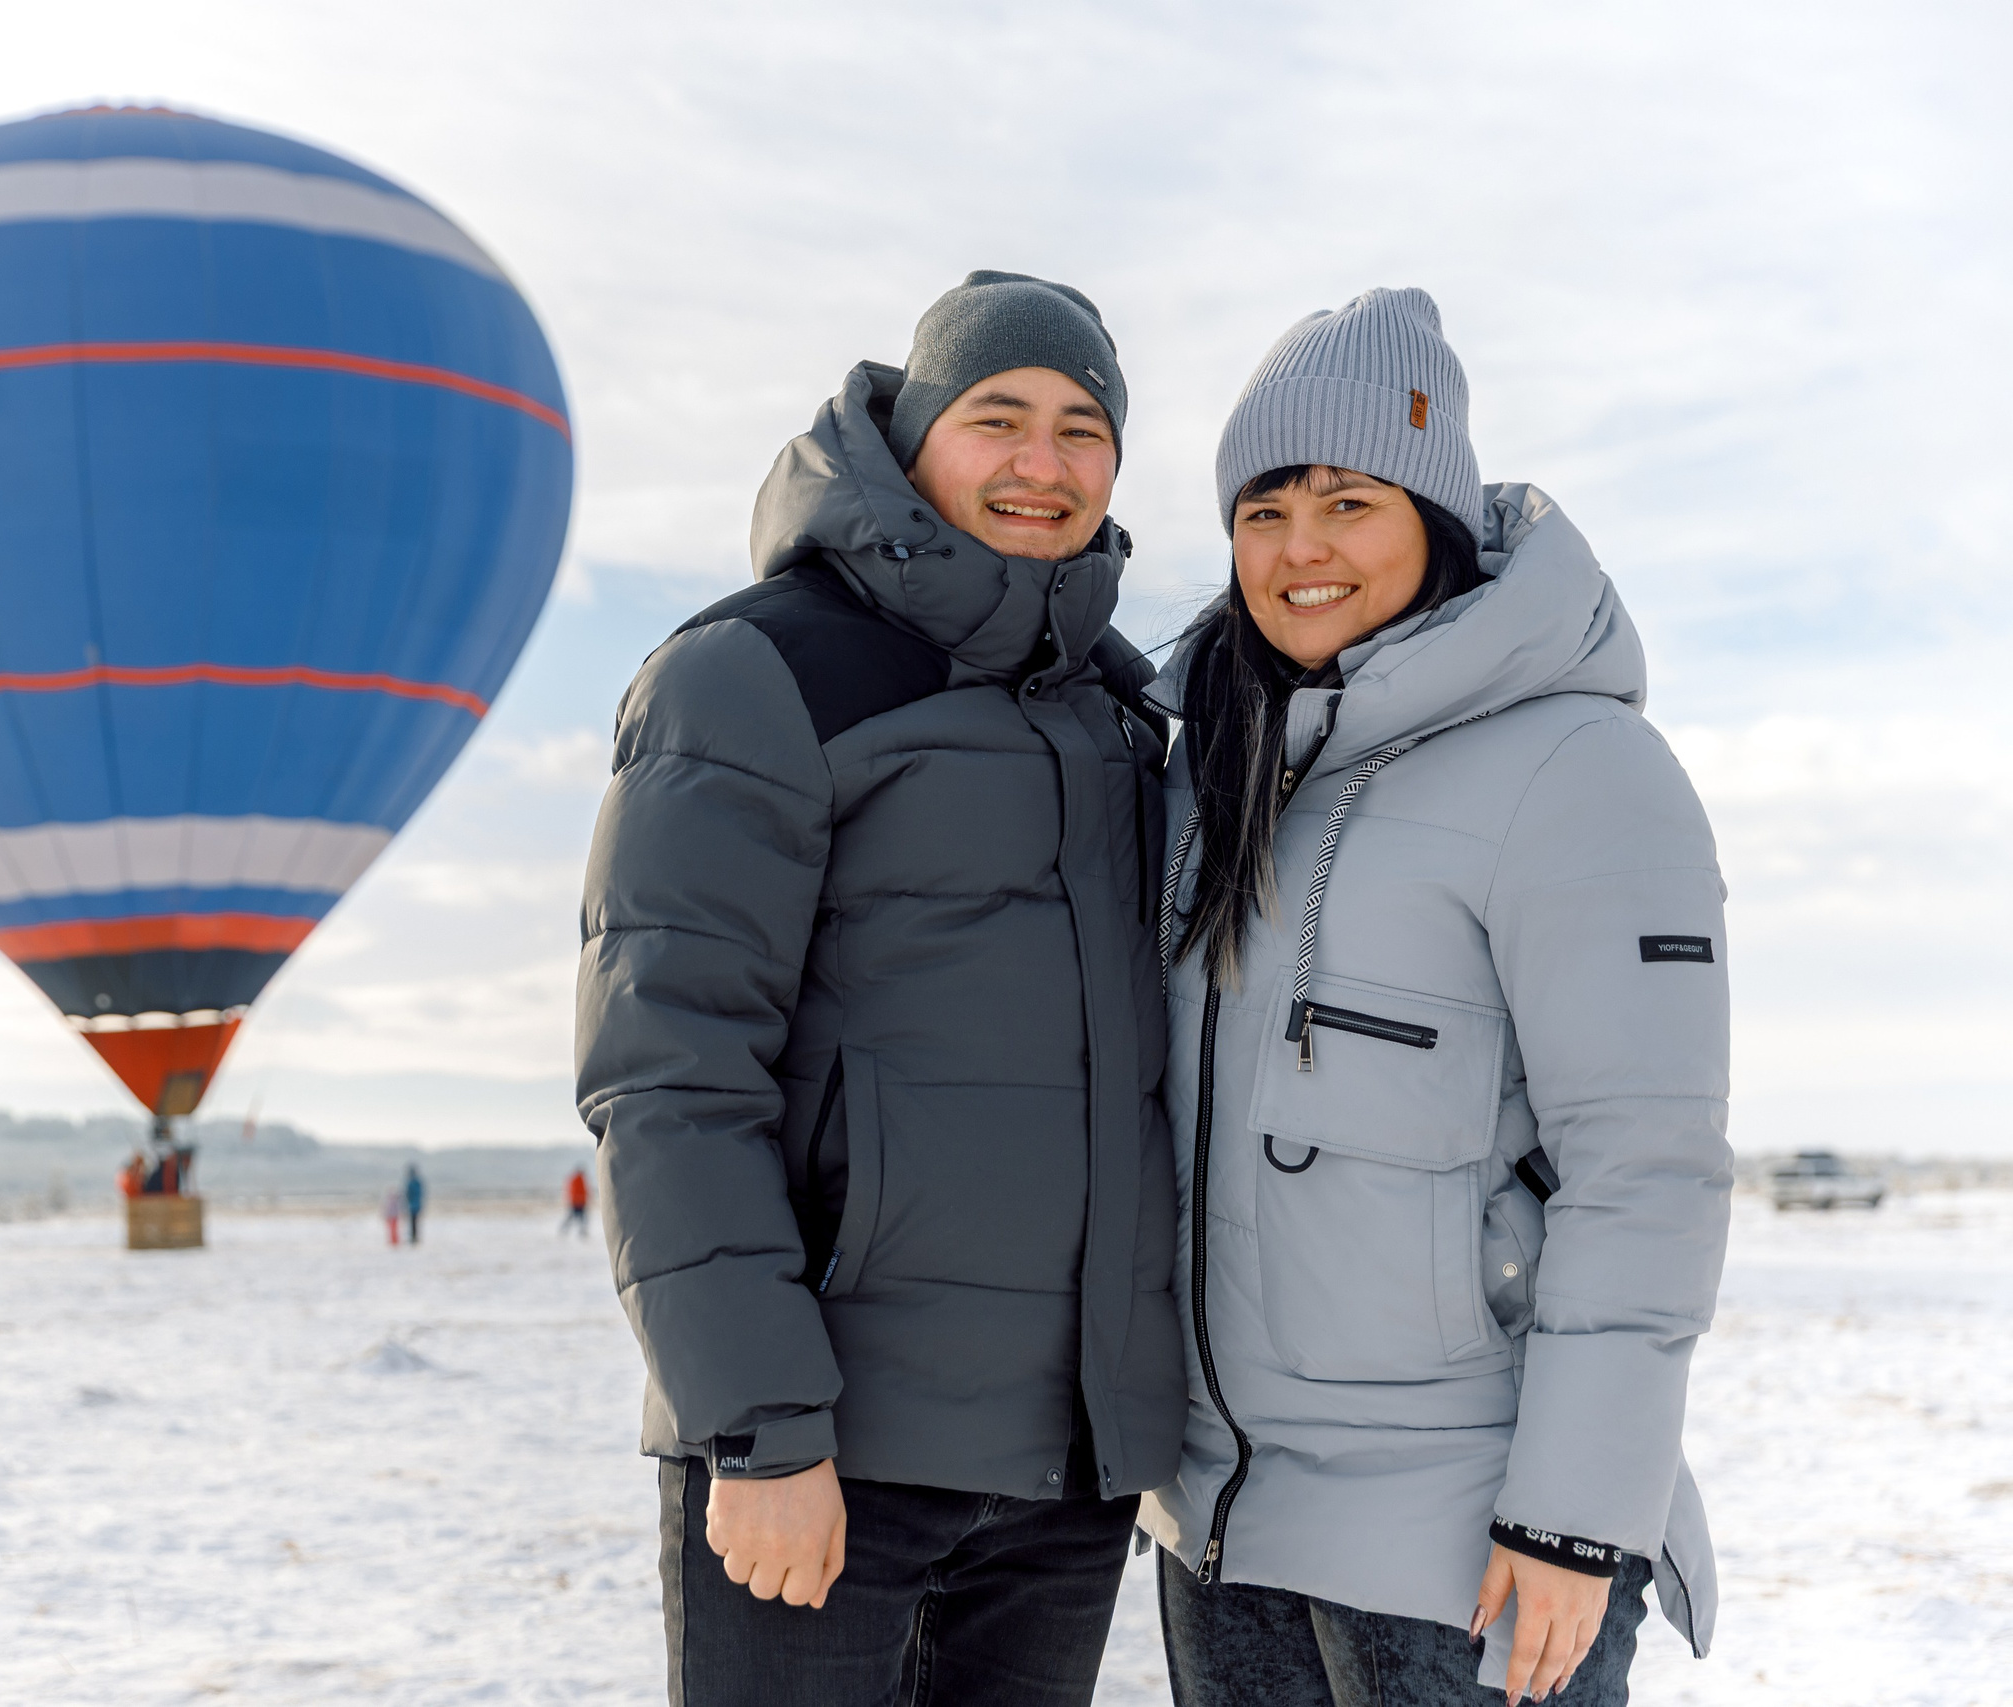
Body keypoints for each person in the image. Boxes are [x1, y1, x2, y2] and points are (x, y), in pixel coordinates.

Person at [577, 271, 1182, 1706]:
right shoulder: (755, 670)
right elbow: (670, 1069)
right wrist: (761, 1428)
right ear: (912, 434)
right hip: (832, 1453)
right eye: (999, 416)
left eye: (1084, 427)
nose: (1044, 462)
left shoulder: (1117, 710)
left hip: (1068, 1467)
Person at [1142, 287, 1730, 1706]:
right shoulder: (1209, 769)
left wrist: (1574, 1514)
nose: (1301, 550)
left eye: (1349, 501)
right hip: (1224, 1522)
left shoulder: (1577, 767)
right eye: (1264, 510)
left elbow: (1645, 1167)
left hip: (1468, 1535)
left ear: (1438, 519)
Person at [561, 1167, 591, 1237]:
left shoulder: (580, 1179)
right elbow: (575, 1192)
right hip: (577, 1202)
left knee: (581, 1218)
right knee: (574, 1217)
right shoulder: (577, 1179)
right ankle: (565, 1228)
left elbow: (584, 1191)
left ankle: (581, 1231)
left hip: (579, 1202)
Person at [401, 1162, 425, 1245]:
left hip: (412, 1205)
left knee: (413, 1222)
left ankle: (413, 1237)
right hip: (416, 1205)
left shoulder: (411, 1182)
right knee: (414, 1222)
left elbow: (407, 1194)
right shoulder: (417, 1182)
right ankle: (414, 1237)